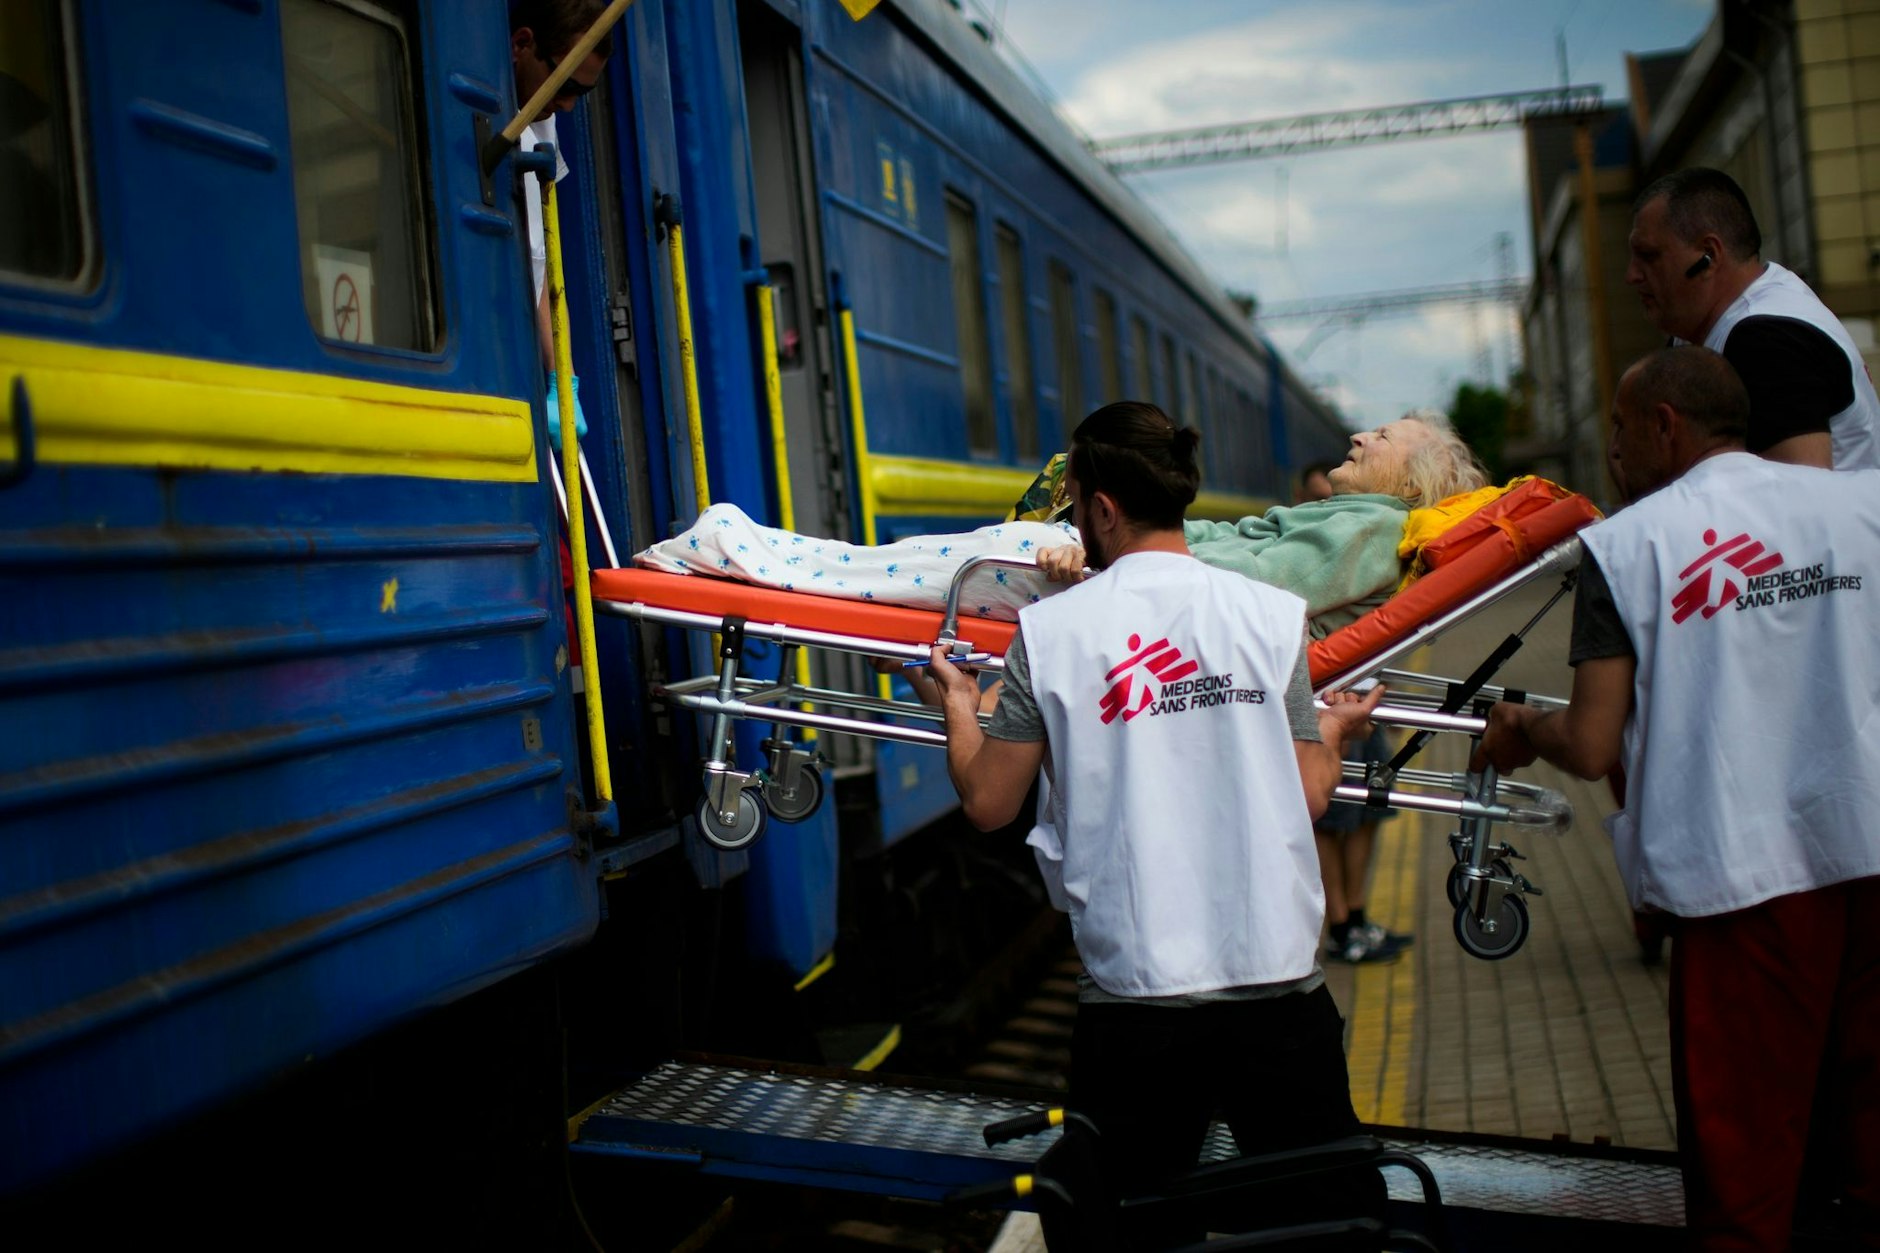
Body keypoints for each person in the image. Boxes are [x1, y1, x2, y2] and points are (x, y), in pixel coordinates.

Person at [923, 401, 1388, 1243]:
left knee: (1123, 1232)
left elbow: (990, 801)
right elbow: (1310, 790)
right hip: (1280, 988)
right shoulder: (1269, 616)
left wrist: (960, 706)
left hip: (1138, 1002)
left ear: (1101, 509)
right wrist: (1334, 733)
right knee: (1335, 1227)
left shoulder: (1051, 632)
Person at [1476, 346, 1880, 1251]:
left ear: (1664, 426)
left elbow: (1588, 741)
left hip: (1745, 887)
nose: (1613, 453)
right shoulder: (1866, 502)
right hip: (1872, 850)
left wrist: (1518, 729)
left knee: (1745, 1183)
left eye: (1619, 431)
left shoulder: (1626, 547)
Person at [641, 409, 1488, 637]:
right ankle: (743, 550)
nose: (1359, 435)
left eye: (1382, 438)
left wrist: (1115, 560)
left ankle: (736, 552)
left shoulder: (1371, 528)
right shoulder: (1358, 522)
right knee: (905, 565)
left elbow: (1252, 585)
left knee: (909, 572)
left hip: (1101, 580)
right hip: (1106, 568)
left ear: (1407, 479)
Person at [1626, 167, 1877, 470]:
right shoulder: (1726, 326)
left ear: (1708, 256)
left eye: (1649, 256)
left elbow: (1798, 496)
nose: (1632, 276)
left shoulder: (1767, 341)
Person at [1294, 461, 1407, 965]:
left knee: (1366, 815)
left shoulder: (1364, 550)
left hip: (1364, 699)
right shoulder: (1296, 561)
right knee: (1327, 821)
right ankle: (1340, 925)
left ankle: (1357, 916)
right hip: (1323, 706)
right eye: (1318, 502)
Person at [510, 0, 611, 439]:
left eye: (582, 93)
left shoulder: (541, 124)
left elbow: (541, 266)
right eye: (566, 84)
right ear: (522, 45)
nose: (569, 106)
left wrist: (563, 381)